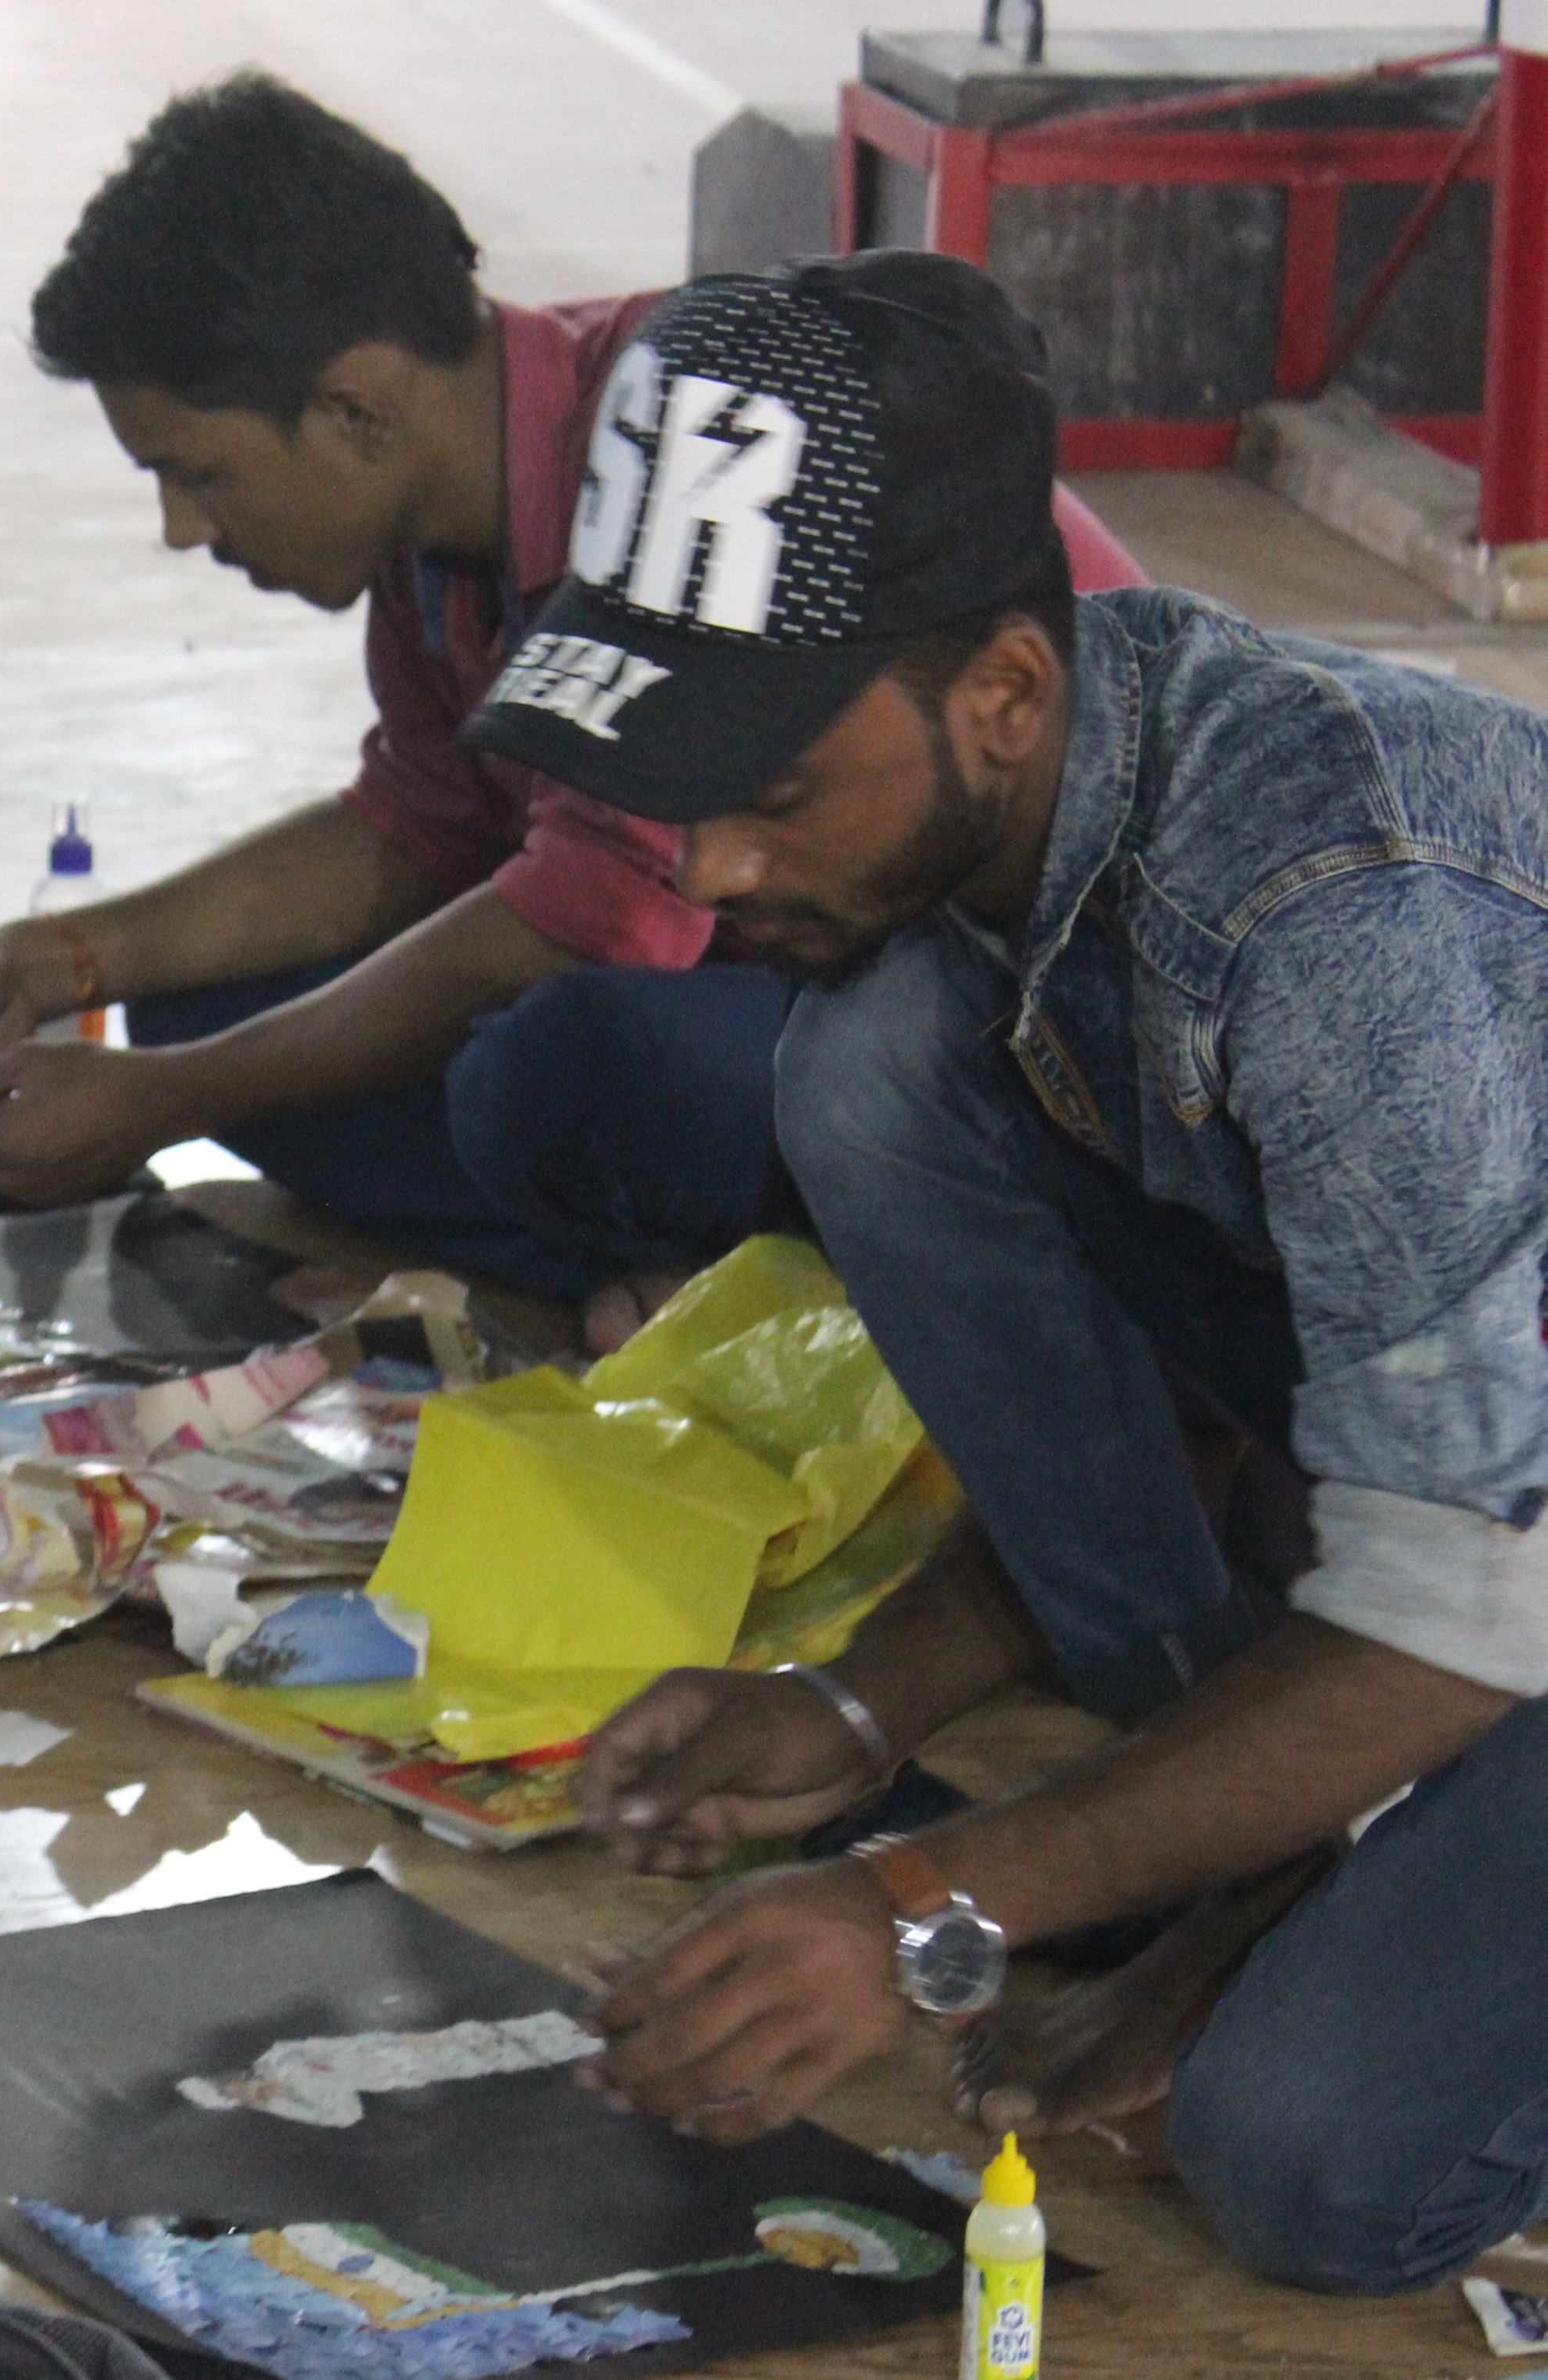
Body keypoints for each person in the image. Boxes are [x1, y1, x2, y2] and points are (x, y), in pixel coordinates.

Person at [486, 254, 1548, 2296]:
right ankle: (1256, 1865)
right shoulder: (1031, 841)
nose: (701, 865)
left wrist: (912, 1899)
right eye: (674, 785)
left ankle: (1283, 1887)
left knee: (1315, 2153)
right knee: (862, 1063)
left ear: (997, 691)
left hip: (1497, 1569)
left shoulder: (1328, 918)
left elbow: (1454, 1599)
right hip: (1489, 1504)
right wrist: (855, 1703)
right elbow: (1223, 1394)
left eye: (771, 786)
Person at [0, 76, 1137, 1349]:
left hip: (1008, 1017)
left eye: (199, 474)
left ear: (354, 410)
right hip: (761, 979)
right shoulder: (444, 521)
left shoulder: (680, 453)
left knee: (567, 1063)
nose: (180, 529)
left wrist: (168, 1105)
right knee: (197, 1001)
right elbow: (416, 828)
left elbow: (601, 921)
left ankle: (805, 1283)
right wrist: (55, 964)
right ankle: (673, 1262)